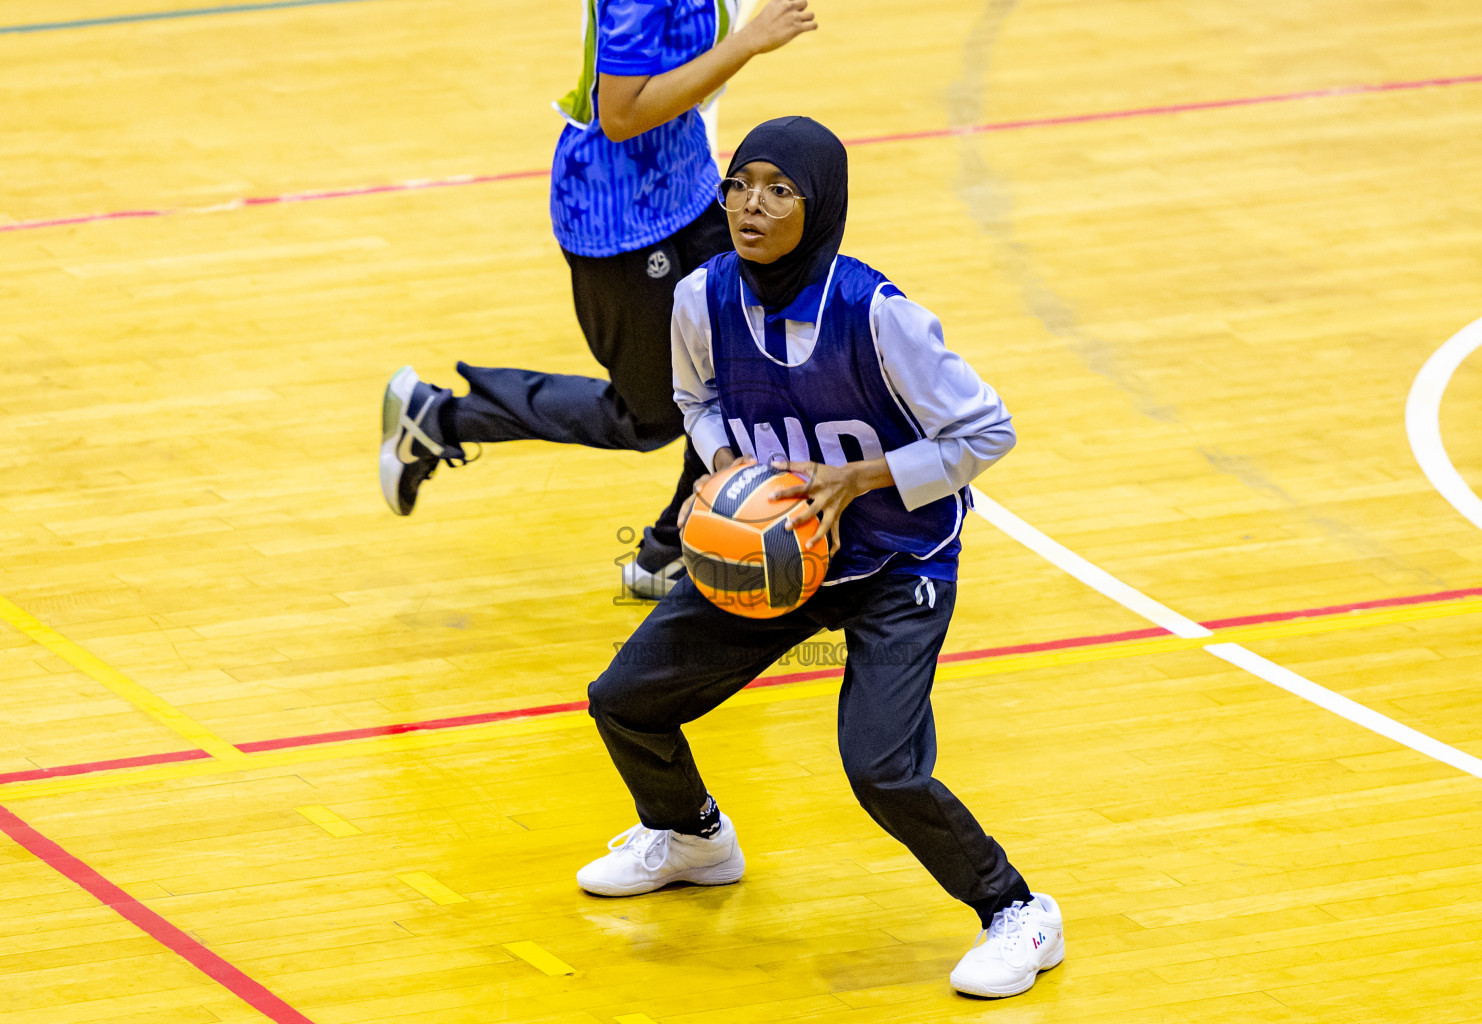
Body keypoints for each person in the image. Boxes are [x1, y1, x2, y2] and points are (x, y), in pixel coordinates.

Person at [575, 116, 1065, 999]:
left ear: (822, 204)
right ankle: (690, 836)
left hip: (898, 561)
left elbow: (989, 429)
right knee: (625, 700)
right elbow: (697, 397)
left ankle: (1016, 912)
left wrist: (866, 476)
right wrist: (724, 467)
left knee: (881, 767)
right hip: (775, 556)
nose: (749, 206)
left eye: (778, 189)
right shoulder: (702, 297)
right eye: (738, 185)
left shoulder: (879, 315)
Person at [378, 0, 818, 598]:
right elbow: (620, 113)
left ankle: (671, 549)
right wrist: (749, 42)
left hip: (687, 186)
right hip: (619, 218)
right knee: (652, 416)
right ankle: (441, 418)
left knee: (744, 372)